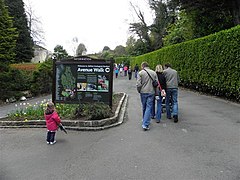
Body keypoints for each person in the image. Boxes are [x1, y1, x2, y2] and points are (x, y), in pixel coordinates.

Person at [136, 62, 158, 130]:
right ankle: (146, 121)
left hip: (143, 92)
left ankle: (144, 123)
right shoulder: (154, 73)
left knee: (144, 106)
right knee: (149, 107)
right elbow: (156, 84)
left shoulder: (141, 73)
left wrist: (139, 90)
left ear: (143, 66)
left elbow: (138, 84)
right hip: (151, 92)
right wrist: (156, 93)